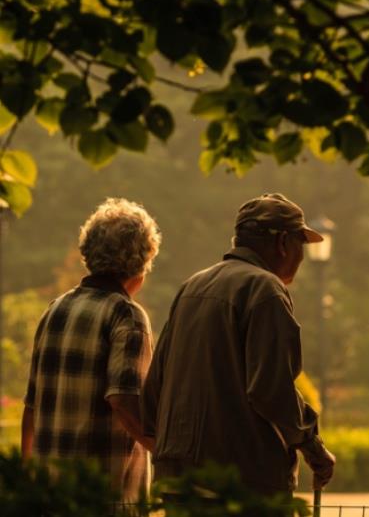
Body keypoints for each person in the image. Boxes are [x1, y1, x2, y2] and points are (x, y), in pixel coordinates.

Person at [142, 193, 335, 500]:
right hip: (239, 480)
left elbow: (154, 388)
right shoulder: (265, 288)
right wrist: (311, 444)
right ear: (283, 243)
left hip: (177, 476)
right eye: (301, 244)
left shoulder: (191, 287)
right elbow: (271, 389)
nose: (302, 257)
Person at [22, 197, 161, 503]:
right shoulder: (127, 314)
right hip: (104, 495)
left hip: (50, 493)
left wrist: (26, 479)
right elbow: (124, 400)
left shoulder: (55, 309)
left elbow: (31, 407)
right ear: (142, 260)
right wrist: (163, 450)